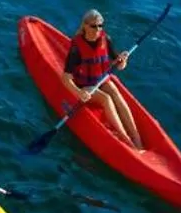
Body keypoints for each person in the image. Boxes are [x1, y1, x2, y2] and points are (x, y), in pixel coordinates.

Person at [61, 10, 143, 149]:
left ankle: (136, 137)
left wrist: (123, 61)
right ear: (85, 26)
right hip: (84, 86)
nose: (98, 29)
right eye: (94, 26)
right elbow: (66, 78)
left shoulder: (106, 39)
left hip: (100, 80)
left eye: (100, 25)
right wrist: (78, 92)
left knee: (114, 91)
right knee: (106, 98)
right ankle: (126, 139)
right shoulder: (77, 48)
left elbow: (118, 64)